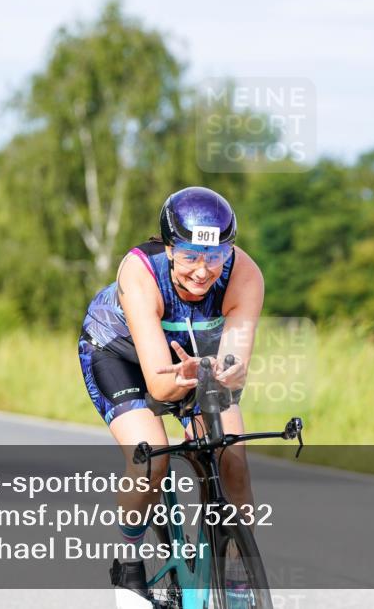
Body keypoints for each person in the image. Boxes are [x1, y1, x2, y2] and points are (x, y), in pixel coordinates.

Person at [78, 186, 264, 607]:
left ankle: (237, 575)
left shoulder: (246, 275)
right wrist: (191, 377)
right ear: (168, 248)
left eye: (214, 257)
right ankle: (128, 563)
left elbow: (234, 372)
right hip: (118, 354)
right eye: (189, 257)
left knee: (231, 460)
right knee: (154, 455)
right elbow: (161, 387)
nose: (203, 271)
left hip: (194, 361)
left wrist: (224, 371)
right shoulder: (139, 272)